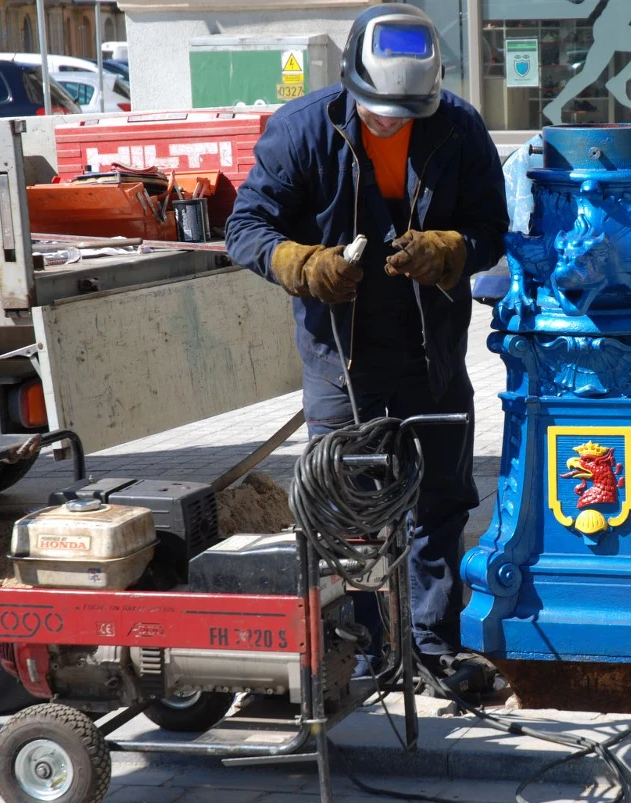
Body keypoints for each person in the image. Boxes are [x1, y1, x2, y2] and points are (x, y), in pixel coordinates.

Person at [226, 4, 508, 683]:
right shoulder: (301, 131)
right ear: (352, 84)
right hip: (339, 352)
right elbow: (246, 226)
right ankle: (366, 648)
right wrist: (302, 264)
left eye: (404, 114)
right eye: (378, 111)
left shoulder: (459, 129)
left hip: (429, 349)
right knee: (350, 509)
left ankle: (430, 644)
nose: (389, 122)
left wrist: (448, 250)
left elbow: (492, 229)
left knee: (442, 500)